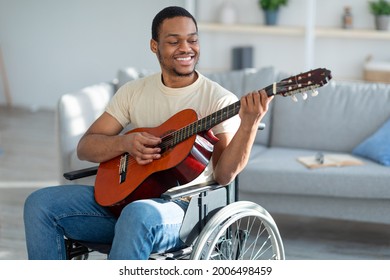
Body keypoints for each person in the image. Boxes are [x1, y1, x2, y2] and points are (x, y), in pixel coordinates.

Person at [23, 6, 273, 260]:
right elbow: (86, 147)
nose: (186, 48)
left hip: (183, 213)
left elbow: (224, 174)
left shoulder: (218, 99)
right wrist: (126, 143)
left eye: (193, 40)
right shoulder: (134, 91)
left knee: (138, 214)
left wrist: (249, 124)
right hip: (124, 203)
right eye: (174, 41)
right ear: (155, 46)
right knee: (40, 203)